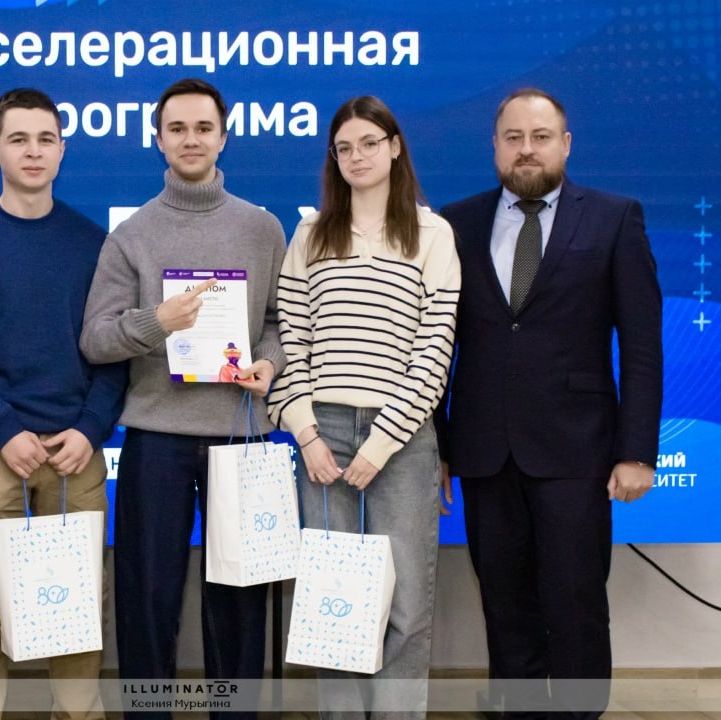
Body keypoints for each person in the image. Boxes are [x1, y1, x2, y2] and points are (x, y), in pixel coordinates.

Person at [439, 88, 663, 719]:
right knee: (503, 602)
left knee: (575, 601)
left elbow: (641, 346)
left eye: (540, 137)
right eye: (513, 138)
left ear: (565, 144)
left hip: (578, 449)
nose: (526, 149)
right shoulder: (456, 224)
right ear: (495, 147)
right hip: (484, 449)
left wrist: (637, 452)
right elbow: (433, 344)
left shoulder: (615, 218)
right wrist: (440, 444)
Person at [80, 78, 285, 719]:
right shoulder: (131, 234)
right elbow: (96, 339)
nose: (190, 139)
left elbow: (280, 322)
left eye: (203, 128)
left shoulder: (263, 228)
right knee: (147, 599)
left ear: (224, 137)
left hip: (242, 434)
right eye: (177, 129)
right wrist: (156, 323)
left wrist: (269, 363)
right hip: (158, 437)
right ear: (158, 140)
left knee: (241, 601)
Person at [0, 87, 126, 720]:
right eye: (18, 139)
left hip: (74, 456)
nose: (33, 151)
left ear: (62, 151)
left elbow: (115, 350)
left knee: (77, 616)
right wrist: (3, 429)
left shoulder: (95, 245)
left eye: (45, 139)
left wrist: (90, 428)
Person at [266, 96, 460, 718]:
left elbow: (434, 351)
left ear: (395, 147)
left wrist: (379, 445)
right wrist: (307, 435)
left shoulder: (433, 234)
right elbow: (291, 341)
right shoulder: (310, 234)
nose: (357, 156)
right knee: (334, 604)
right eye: (344, 147)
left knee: (406, 604)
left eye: (369, 143)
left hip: (401, 440)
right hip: (322, 435)